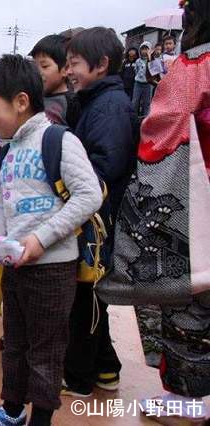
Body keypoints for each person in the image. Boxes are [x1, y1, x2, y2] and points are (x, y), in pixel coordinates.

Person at [0, 54, 103, 426]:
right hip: (15, 267)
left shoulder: (57, 139)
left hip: (52, 269)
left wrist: (40, 240)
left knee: (46, 351)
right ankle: (10, 413)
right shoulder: (6, 151)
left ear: (21, 101)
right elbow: (0, 206)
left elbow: (90, 195)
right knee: (15, 345)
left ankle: (40, 419)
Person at [116, 0, 210, 422]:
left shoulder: (196, 64)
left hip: (200, 197)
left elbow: (164, 129)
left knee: (192, 301)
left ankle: (191, 398)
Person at [62, 27, 137, 398]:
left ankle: (79, 378)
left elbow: (103, 169)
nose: (68, 71)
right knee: (90, 299)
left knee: (86, 299)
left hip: (98, 222)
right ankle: (106, 369)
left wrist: (63, 185)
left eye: (74, 63)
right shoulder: (97, 100)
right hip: (94, 217)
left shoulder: (111, 107)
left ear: (101, 64)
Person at [30, 34, 81, 128]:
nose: (37, 72)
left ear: (65, 69)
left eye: (44, 66)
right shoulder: (33, 99)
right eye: (35, 66)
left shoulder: (73, 103)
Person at [133, 41, 153, 118]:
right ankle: (133, 118)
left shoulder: (152, 60)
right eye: (142, 49)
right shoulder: (138, 61)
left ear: (150, 50)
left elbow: (153, 72)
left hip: (148, 84)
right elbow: (136, 71)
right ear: (140, 50)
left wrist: (150, 58)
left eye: (146, 49)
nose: (144, 51)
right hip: (138, 84)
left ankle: (146, 118)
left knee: (147, 102)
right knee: (135, 101)